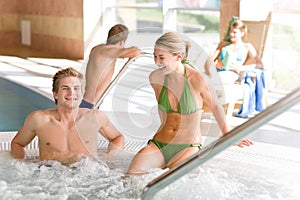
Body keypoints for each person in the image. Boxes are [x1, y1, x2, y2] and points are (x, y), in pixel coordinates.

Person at [127, 32, 253, 174]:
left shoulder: (197, 79)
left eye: (162, 58)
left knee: (167, 182)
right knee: (132, 173)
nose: (157, 62)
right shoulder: (155, 78)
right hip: (160, 144)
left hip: (187, 147)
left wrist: (228, 134)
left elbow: (216, 106)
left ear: (178, 57)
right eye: (155, 56)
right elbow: (162, 112)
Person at [11, 67, 124, 165]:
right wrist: (23, 165)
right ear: (55, 94)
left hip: (86, 176)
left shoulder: (95, 117)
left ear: (82, 93)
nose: (71, 93)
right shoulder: (39, 119)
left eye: (76, 88)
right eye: (65, 88)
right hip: (49, 176)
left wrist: (110, 157)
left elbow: (117, 138)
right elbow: (17, 144)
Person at [80, 24, 142, 109]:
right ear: (122, 42)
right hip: (90, 104)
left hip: (85, 101)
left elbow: (113, 54)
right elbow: (136, 51)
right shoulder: (110, 51)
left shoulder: (97, 48)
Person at [213, 18, 264, 83]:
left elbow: (260, 64)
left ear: (242, 33)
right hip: (218, 72)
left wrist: (241, 68)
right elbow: (209, 61)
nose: (231, 34)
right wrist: (216, 65)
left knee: (214, 79)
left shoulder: (247, 46)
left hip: (231, 74)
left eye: (235, 32)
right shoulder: (223, 45)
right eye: (231, 31)